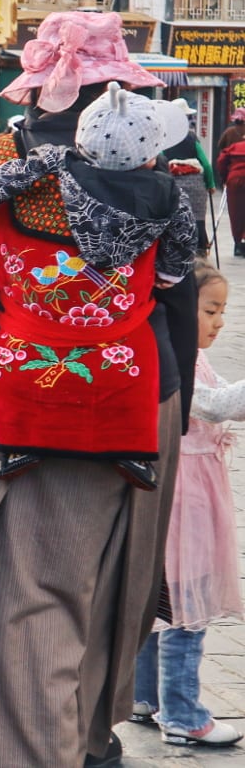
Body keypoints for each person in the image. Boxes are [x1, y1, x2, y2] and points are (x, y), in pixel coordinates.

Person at [0, 9, 198, 768]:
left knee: (31, 593)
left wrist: (20, 341)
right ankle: (92, 736)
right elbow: (181, 291)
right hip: (146, 394)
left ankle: (33, 746)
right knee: (121, 580)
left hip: (32, 400)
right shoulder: (160, 167)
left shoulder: (4, 159)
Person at [130, 262, 244, 749]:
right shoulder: (175, 355)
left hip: (183, 489)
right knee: (186, 603)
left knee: (160, 600)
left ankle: (143, 697)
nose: (219, 322)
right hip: (187, 497)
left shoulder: (179, 352)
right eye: (210, 310)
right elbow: (214, 406)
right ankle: (182, 712)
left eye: (223, 311)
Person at [162, 98, 215, 256]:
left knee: (176, 218)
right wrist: (210, 184)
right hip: (196, 184)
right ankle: (200, 250)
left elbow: (161, 161)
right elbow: (205, 164)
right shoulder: (191, 137)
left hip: (173, 183)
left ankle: (178, 250)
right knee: (198, 218)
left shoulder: (164, 137)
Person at [217, 132, 245, 257]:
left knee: (236, 212)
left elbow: (221, 161)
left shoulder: (234, 147)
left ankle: (238, 244)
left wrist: (224, 177)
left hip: (235, 180)